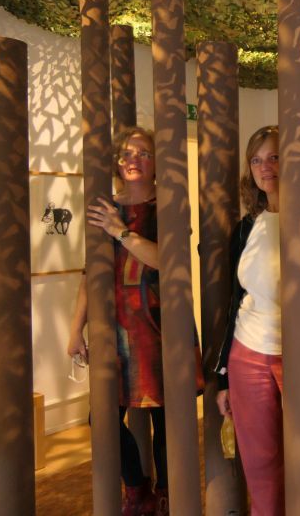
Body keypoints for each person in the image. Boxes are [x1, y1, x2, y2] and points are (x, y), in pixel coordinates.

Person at [214, 125, 300, 516]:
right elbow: (237, 301)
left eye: (274, 157)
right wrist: (224, 373)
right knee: (261, 467)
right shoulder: (248, 227)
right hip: (248, 356)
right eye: (257, 160)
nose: (265, 167)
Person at [67, 126, 204, 516]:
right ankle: (136, 487)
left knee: (166, 417)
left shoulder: (169, 206)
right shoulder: (105, 206)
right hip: (116, 329)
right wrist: (76, 328)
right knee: (103, 419)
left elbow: (169, 261)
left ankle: (165, 493)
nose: (133, 159)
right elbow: (89, 273)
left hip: (161, 324)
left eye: (143, 153)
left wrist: (120, 231)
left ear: (157, 162)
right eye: (127, 153)